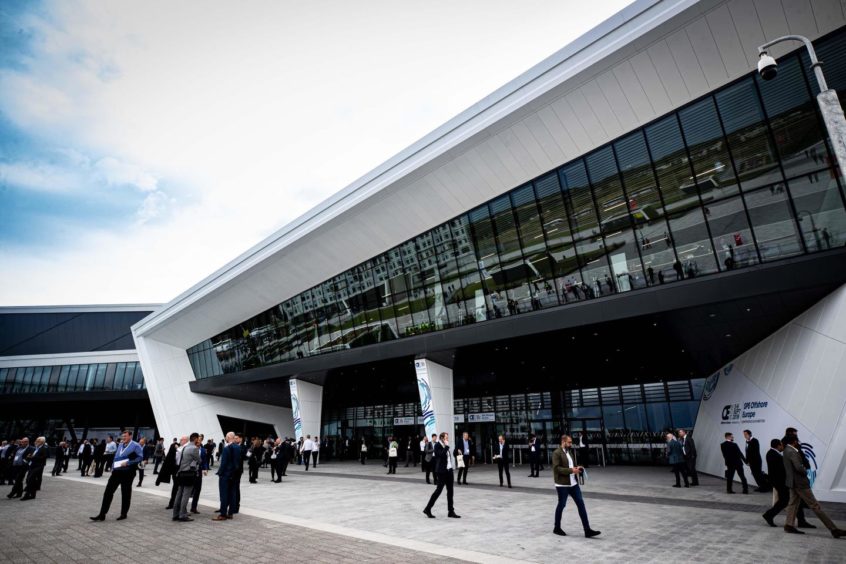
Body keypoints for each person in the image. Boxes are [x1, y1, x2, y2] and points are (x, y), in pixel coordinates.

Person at [782, 434, 845, 537]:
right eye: (797, 440)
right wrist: (805, 471)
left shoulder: (786, 450)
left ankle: (789, 525)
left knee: (792, 504)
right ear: (794, 441)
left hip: (792, 483)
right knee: (815, 506)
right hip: (800, 483)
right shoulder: (792, 451)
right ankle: (833, 529)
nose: (798, 442)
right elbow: (798, 467)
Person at [552, 434, 601, 538]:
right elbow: (557, 469)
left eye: (571, 442)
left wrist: (576, 468)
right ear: (563, 442)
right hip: (562, 484)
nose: (571, 444)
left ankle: (587, 530)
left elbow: (570, 466)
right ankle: (556, 527)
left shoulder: (569, 452)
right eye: (569, 442)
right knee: (562, 505)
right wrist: (571, 470)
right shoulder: (556, 453)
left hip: (573, 484)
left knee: (581, 504)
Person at [90, 430, 144, 521]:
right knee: (108, 492)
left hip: (128, 473)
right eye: (123, 436)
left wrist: (128, 463)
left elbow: (140, 457)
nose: (123, 438)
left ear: (130, 436)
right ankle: (102, 514)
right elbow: (116, 456)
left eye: (125, 436)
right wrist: (112, 467)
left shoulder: (136, 445)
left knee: (125, 493)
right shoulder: (120, 444)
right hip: (117, 472)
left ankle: (124, 514)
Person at [422, 432, 460, 519]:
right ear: (442, 438)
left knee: (450, 492)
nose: (447, 439)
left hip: (449, 471)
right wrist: (446, 446)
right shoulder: (437, 446)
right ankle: (428, 508)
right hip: (442, 472)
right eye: (446, 438)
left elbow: (448, 458)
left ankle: (451, 511)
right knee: (438, 491)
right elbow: (441, 455)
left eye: (447, 437)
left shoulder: (446, 446)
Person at [172, 432, 201, 522]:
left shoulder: (185, 447)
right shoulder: (195, 448)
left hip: (181, 473)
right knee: (186, 495)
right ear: (195, 439)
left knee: (179, 494)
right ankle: (183, 515)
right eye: (198, 438)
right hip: (189, 474)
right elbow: (199, 460)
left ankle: (175, 514)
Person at [213, 432, 237, 521]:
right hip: (234, 475)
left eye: (226, 437)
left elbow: (223, 463)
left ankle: (223, 514)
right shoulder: (238, 447)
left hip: (225, 475)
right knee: (232, 494)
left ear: (228, 437)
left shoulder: (227, 448)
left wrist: (219, 473)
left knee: (224, 494)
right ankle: (230, 513)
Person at [20, 436, 47, 501]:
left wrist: (32, 457)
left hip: (38, 466)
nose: (35, 442)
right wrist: (29, 457)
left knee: (30, 479)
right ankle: (32, 494)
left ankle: (27, 495)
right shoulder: (36, 448)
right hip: (32, 465)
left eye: (37, 441)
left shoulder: (44, 448)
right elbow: (33, 456)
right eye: (36, 441)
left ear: (41, 442)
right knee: (32, 480)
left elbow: (43, 458)